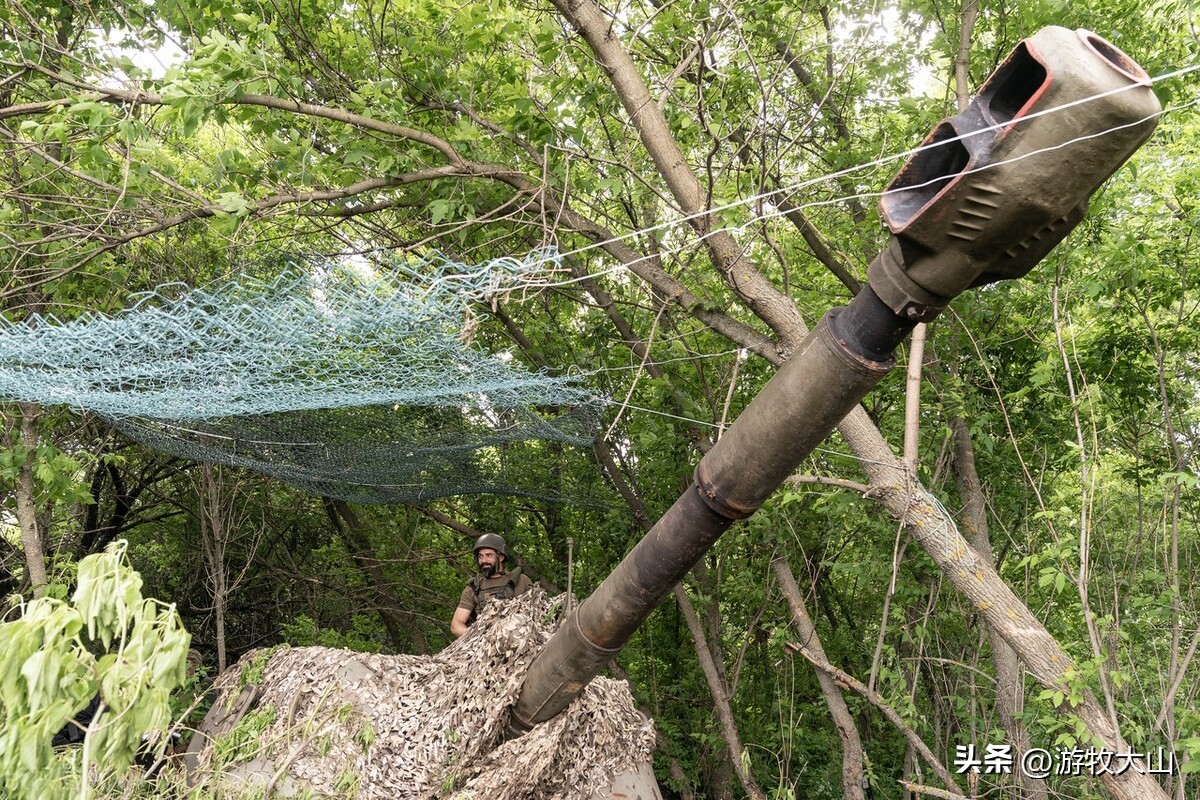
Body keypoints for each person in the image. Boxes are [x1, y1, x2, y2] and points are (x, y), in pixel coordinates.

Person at [451, 533, 532, 637]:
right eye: (480, 556)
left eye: (489, 555)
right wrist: (482, 638)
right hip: (486, 645)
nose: (484, 561)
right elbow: (456, 625)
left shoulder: (521, 581)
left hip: (522, 640)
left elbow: (538, 611)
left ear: (501, 557)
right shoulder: (473, 588)